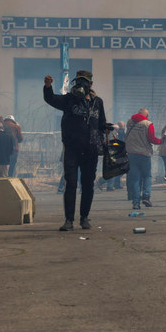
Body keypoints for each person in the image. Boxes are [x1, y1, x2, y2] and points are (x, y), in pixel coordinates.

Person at [44, 71, 109, 231]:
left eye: (84, 82)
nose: (81, 85)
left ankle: (84, 218)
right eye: (78, 82)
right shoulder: (69, 100)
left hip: (91, 150)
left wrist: (106, 130)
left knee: (87, 185)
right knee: (71, 184)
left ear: (91, 85)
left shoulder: (97, 102)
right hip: (72, 149)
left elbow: (102, 123)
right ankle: (69, 220)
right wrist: (47, 87)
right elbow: (51, 99)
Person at [125, 108, 164, 209]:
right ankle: (146, 197)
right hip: (144, 154)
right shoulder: (148, 124)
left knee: (135, 178)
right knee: (147, 176)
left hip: (131, 154)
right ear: (146, 116)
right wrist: (161, 141)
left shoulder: (130, 122)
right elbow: (152, 139)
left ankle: (136, 202)